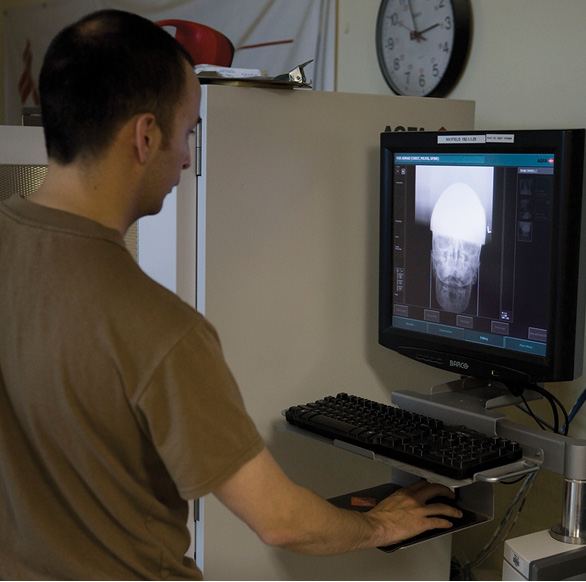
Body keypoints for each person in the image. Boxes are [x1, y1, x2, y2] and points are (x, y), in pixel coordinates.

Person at [0, 9, 461, 580]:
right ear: (145, 137)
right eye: (188, 132)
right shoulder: (159, 329)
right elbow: (283, 521)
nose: (189, 157)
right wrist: (383, 525)